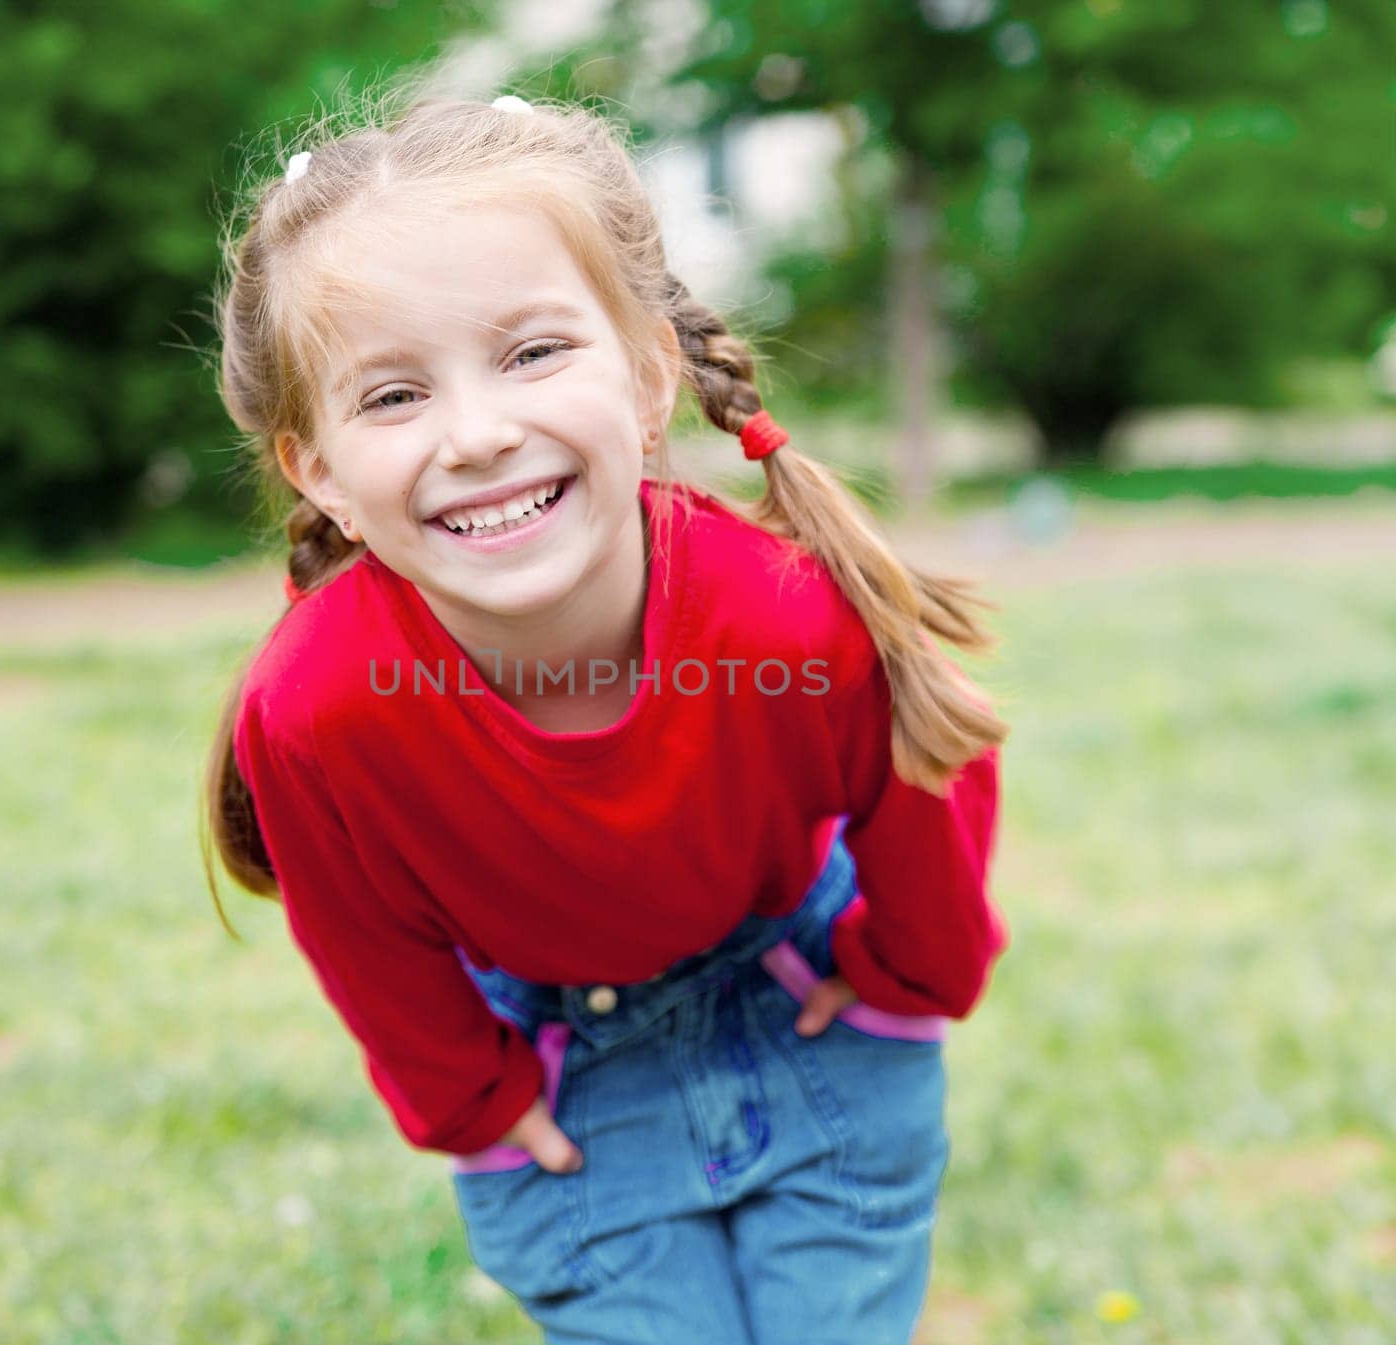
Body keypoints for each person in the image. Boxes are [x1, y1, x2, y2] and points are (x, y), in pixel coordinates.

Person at [200, 81, 1011, 1345]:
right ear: (320, 472)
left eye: (531, 354)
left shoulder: (783, 619)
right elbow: (357, 929)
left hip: (804, 1008)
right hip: (569, 1084)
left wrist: (908, 976)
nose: (475, 435)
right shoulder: (321, 709)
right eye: (393, 396)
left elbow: (927, 757)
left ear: (646, 380)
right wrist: (471, 1100)